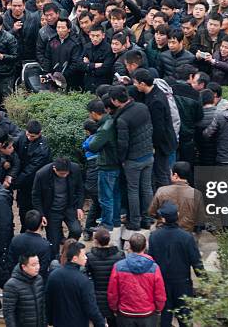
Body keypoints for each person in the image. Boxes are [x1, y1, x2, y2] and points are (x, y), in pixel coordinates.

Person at [149, 203, 203, 327]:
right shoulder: (187, 237)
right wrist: (205, 282)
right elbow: (196, 262)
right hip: (183, 284)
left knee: (165, 318)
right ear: (177, 215)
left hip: (162, 284)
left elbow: (152, 262)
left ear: (162, 219)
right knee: (185, 318)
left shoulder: (154, 237)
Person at [109, 85, 154, 231]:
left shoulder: (123, 119)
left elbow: (123, 144)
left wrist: (121, 159)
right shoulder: (143, 107)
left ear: (116, 101)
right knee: (146, 188)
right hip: (148, 155)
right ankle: (147, 219)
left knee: (133, 190)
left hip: (133, 160)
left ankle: (134, 221)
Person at [107, 233, 166, 326]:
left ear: (129, 246)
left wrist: (114, 308)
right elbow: (160, 292)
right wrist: (159, 308)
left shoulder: (118, 266)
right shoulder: (154, 268)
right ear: (145, 247)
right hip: (147, 313)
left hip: (125, 313)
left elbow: (113, 292)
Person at [133, 69, 177, 192]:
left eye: (135, 83)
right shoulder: (156, 92)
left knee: (161, 173)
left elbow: (158, 128)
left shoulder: (156, 101)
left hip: (162, 144)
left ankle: (166, 203)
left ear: (142, 84)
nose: (134, 85)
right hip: (165, 140)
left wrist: (153, 146)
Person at [31, 158, 84, 258]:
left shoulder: (74, 168)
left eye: (66, 173)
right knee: (53, 242)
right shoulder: (42, 174)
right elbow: (36, 196)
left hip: (69, 207)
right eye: (62, 174)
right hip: (51, 210)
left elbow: (80, 188)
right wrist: (41, 214)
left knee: (76, 230)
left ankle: (68, 250)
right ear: (54, 169)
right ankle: (55, 260)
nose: (65, 175)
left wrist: (79, 207)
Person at [46, 241, 106, 327]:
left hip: (58, 322)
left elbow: (48, 301)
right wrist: (101, 323)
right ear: (74, 258)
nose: (86, 258)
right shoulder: (83, 280)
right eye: (83, 255)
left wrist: (50, 320)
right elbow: (91, 307)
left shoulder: (53, 275)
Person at [86, 98, 121, 232]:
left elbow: (93, 146)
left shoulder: (105, 127)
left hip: (107, 165)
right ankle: (115, 220)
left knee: (106, 197)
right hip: (116, 164)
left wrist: (89, 142)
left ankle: (107, 223)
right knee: (116, 195)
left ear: (94, 113)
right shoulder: (111, 120)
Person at [13, 120, 52, 233]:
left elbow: (32, 168)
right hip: (23, 182)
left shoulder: (43, 148)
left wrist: (17, 182)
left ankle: (35, 228)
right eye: (28, 135)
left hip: (36, 181)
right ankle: (24, 228)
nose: (29, 137)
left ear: (40, 133)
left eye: (33, 136)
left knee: (36, 207)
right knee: (23, 207)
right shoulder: (21, 138)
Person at [148, 161, 205, 233]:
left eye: (171, 173)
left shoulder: (161, 191)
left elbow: (151, 212)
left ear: (175, 175)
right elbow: (200, 219)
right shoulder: (197, 194)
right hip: (186, 233)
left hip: (164, 232)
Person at [85, 228, 125, 327]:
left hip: (96, 295)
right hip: (115, 295)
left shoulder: (90, 257)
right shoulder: (119, 255)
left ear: (96, 241)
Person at [3, 253, 47, 327]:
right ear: (23, 267)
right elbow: (8, 312)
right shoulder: (11, 285)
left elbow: (42, 305)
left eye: (38, 263)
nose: (38, 267)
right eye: (33, 265)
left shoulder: (39, 279)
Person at [7, 209, 51, 281]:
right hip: (35, 282)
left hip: (17, 278)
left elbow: (10, 262)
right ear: (41, 223)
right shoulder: (45, 245)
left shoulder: (15, 240)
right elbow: (43, 269)